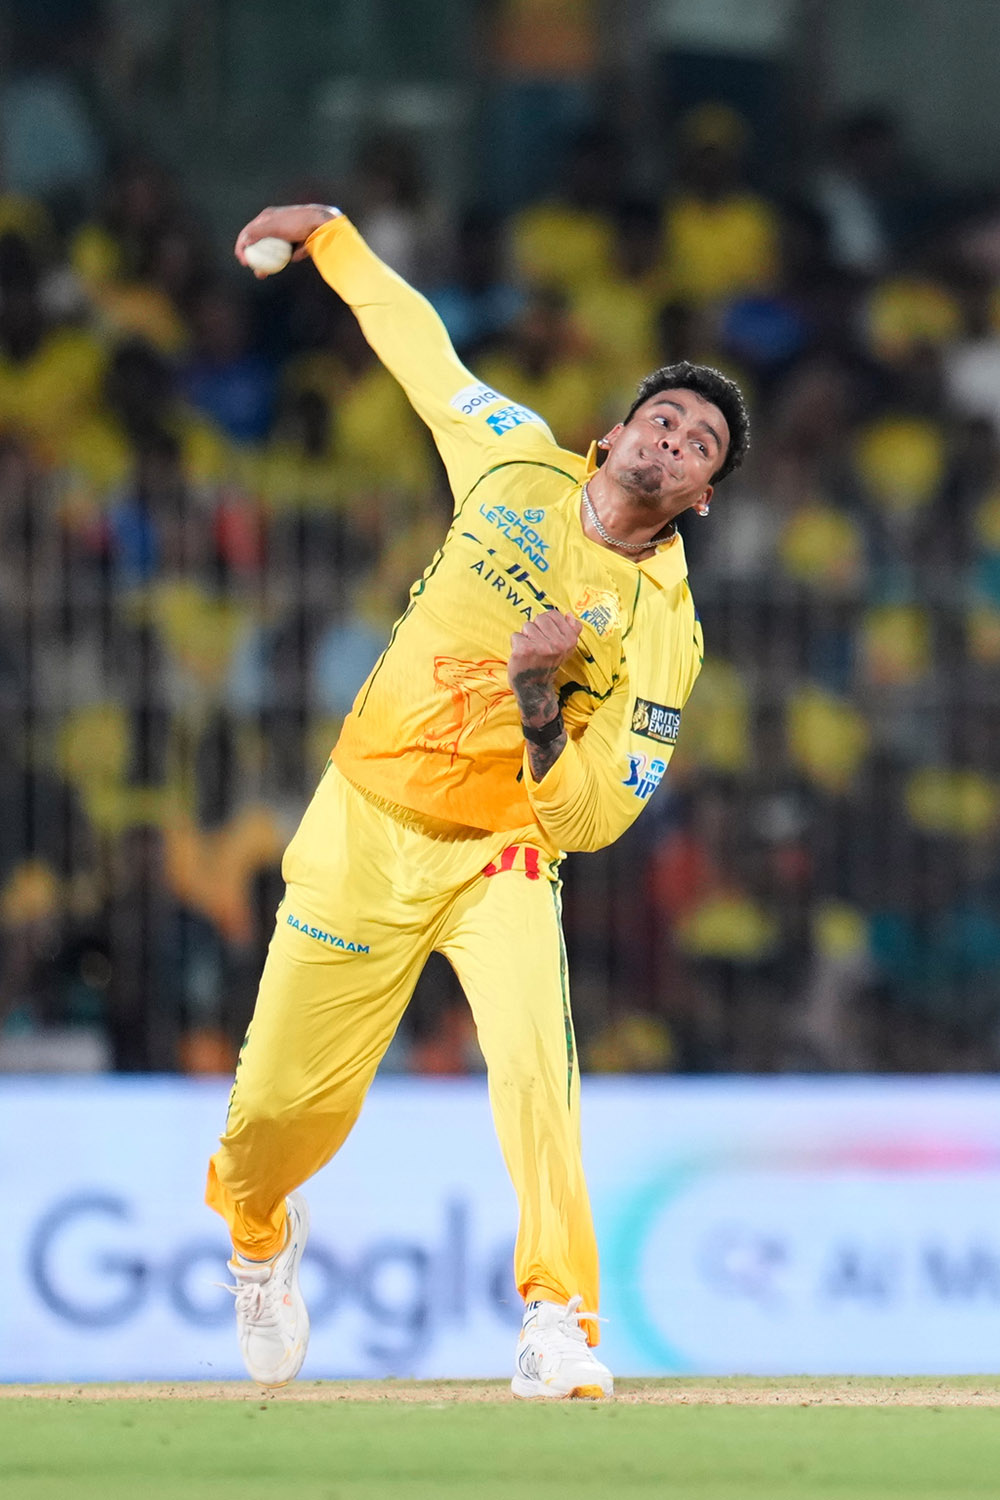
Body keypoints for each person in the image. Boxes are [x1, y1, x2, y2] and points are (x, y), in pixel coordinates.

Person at [207, 201, 749, 1399]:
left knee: (534, 1072)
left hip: (500, 853)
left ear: (702, 495)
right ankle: (255, 1234)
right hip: (363, 823)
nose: (674, 439)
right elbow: (416, 347)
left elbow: (596, 817)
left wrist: (540, 709)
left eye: (700, 443)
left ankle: (558, 1320)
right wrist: (333, 237)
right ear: (609, 436)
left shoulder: (663, 632)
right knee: (277, 1113)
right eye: (661, 419)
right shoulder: (511, 460)